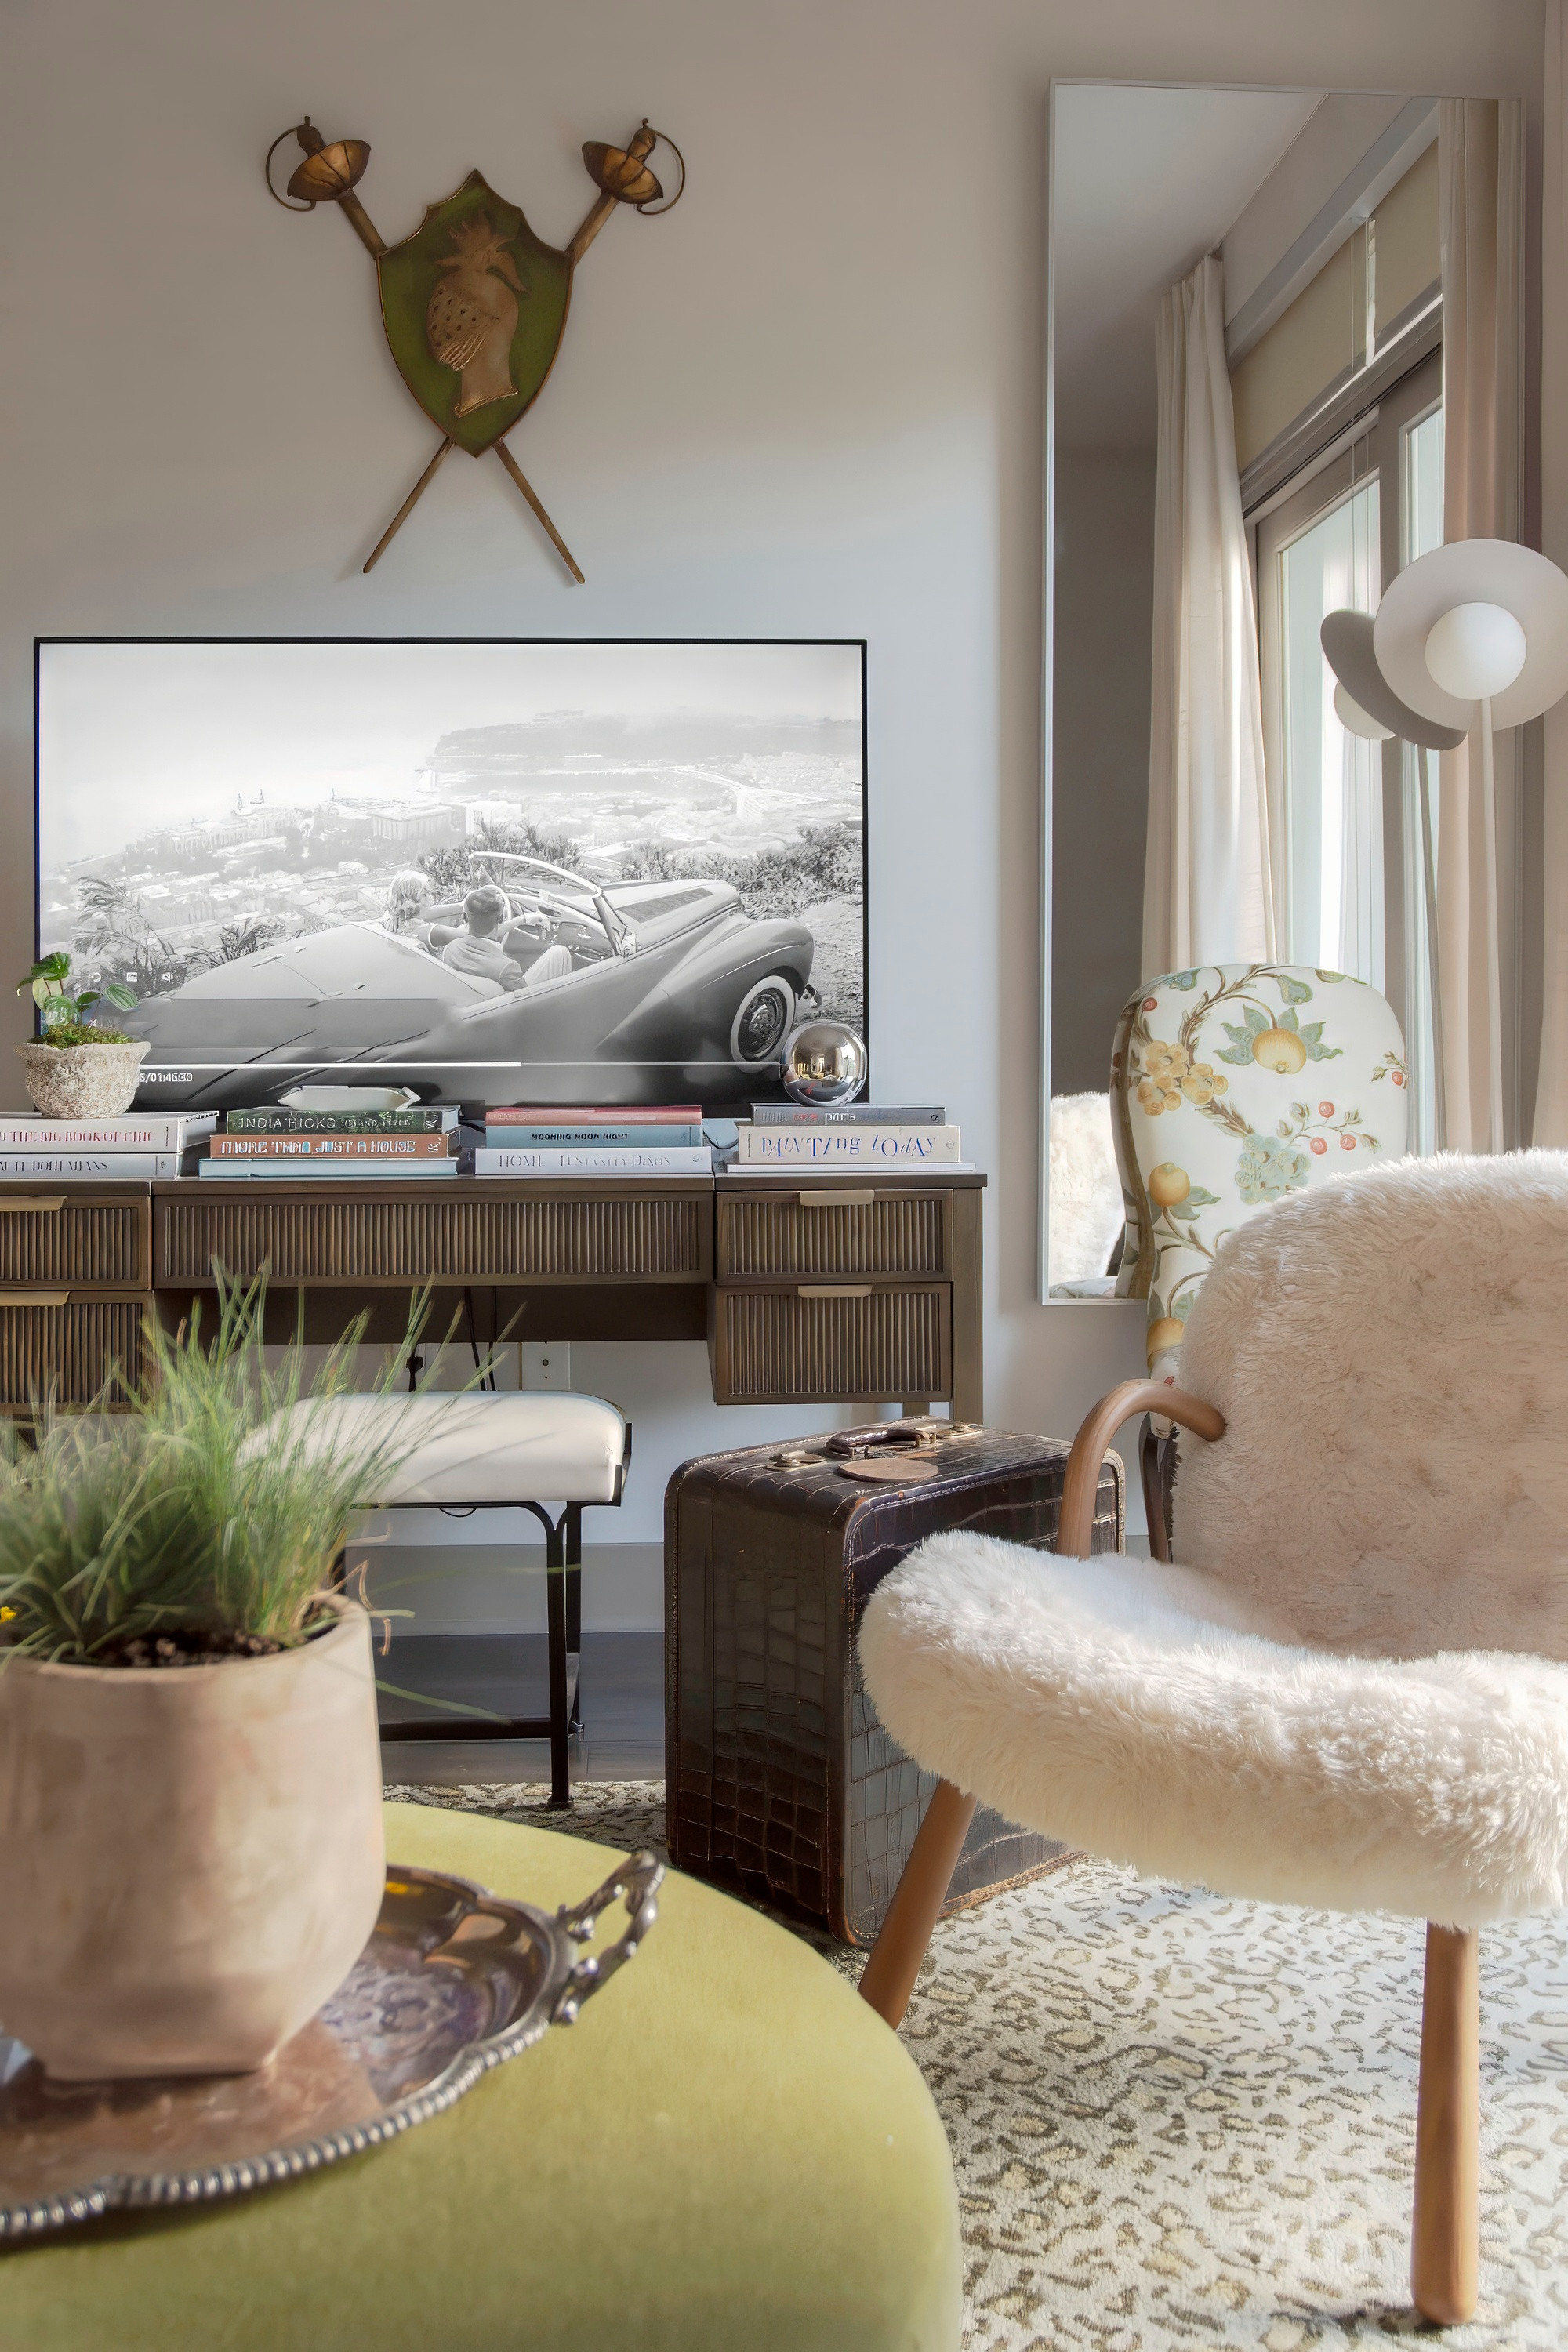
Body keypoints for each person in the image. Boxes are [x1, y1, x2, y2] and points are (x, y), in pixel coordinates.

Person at [438, 884, 525, 990]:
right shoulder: (507, 967)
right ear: (501, 919)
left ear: (465, 917)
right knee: (552, 954)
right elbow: (528, 999)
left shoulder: (450, 949)